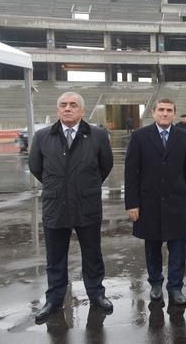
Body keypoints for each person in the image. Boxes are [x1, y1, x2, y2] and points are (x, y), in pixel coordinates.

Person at [29, 92, 114, 323]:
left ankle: (97, 294)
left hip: (87, 205)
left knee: (92, 254)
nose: (68, 108)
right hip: (55, 206)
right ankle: (54, 299)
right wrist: (58, 186)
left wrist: (85, 186)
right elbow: (36, 167)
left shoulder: (97, 135)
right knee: (55, 258)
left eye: (73, 105)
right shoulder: (42, 136)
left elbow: (105, 165)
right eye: (63, 105)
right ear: (57, 110)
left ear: (82, 111)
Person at [124, 98, 186, 306]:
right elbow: (131, 173)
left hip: (177, 202)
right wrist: (131, 203)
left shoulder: (184, 137)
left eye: (169, 110)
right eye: (161, 110)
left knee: (178, 248)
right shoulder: (139, 136)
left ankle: (175, 287)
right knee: (152, 247)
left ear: (174, 114)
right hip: (149, 202)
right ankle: (156, 284)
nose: (164, 113)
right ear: (153, 113)